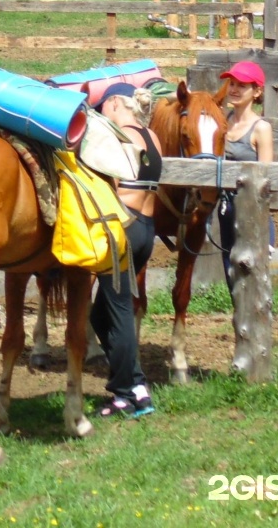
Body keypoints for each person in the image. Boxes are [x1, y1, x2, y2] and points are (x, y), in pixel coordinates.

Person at [89, 83, 161, 418]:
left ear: (117, 103)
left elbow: (107, 188)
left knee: (117, 315)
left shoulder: (116, 137)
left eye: (103, 105)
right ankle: (136, 385)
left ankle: (124, 394)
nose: (100, 111)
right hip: (147, 229)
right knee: (100, 316)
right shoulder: (152, 137)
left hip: (122, 230)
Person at [218, 60, 276, 284]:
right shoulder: (221, 123)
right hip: (226, 212)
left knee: (253, 281)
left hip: (252, 213)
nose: (234, 89)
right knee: (231, 278)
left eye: (242, 85)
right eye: (232, 83)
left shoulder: (261, 128)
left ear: (257, 91)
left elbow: (264, 176)